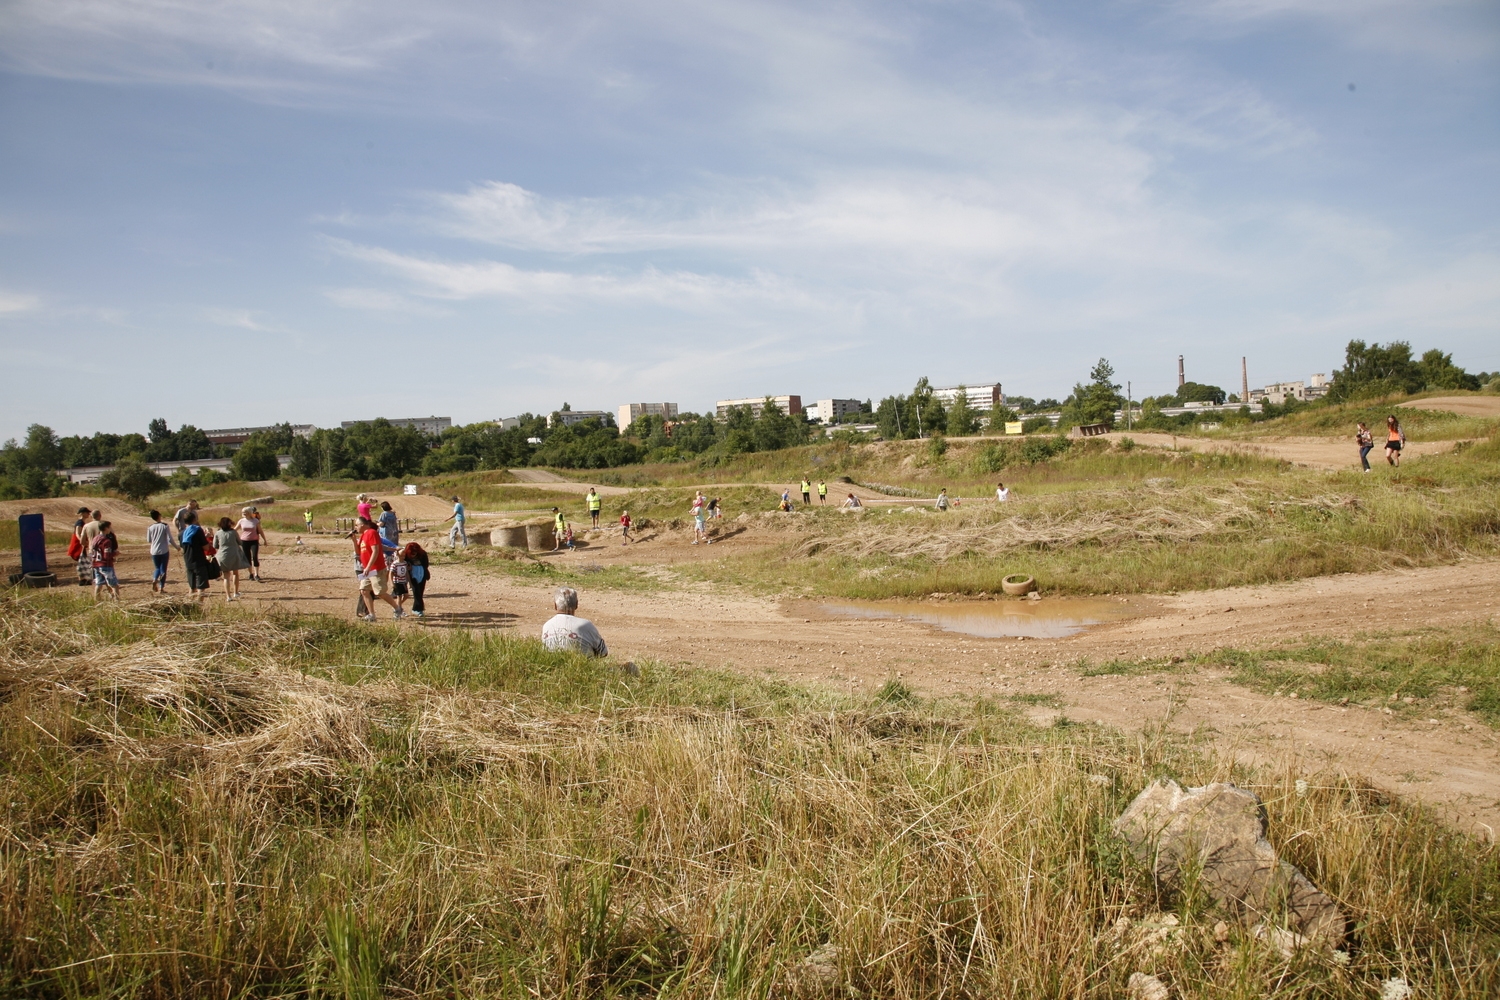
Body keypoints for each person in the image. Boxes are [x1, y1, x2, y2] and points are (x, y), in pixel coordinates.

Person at [357, 516, 405, 620]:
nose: (355, 527)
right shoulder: (362, 536)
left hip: (375, 568)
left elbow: (376, 550)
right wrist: (353, 540)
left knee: (380, 592)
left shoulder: (371, 533)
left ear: (362, 525)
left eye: (357, 525)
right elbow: (358, 551)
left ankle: (398, 609)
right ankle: (371, 615)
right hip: (367, 569)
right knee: (364, 590)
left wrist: (369, 566)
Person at [542, 586, 609, 657]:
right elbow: (603, 653)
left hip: (553, 667)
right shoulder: (586, 625)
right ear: (576, 605)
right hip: (582, 667)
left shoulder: (547, 625)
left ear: (555, 606)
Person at [179, 510, 214, 599]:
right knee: (201, 587)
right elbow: (205, 547)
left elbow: (184, 546)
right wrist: (208, 542)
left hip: (188, 561)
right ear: (194, 519)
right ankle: (199, 606)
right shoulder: (197, 530)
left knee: (192, 587)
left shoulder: (181, 533)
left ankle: (190, 606)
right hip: (199, 561)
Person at [215, 516, 248, 601]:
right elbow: (240, 542)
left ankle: (228, 596)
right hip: (234, 554)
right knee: (235, 573)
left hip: (222, 555)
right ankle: (235, 592)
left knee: (226, 576)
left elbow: (215, 545)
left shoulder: (218, 533)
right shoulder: (233, 532)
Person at [147, 509, 179, 593]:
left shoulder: (150, 527)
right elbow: (170, 539)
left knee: (157, 567)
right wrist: (177, 547)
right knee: (163, 569)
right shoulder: (165, 526)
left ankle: (154, 579)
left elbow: (149, 540)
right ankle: (161, 587)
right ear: (159, 516)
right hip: (164, 550)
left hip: (154, 550)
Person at [90, 520, 121, 601]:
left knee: (99, 584)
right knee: (114, 584)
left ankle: (97, 600)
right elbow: (106, 556)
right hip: (105, 565)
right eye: (109, 527)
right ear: (106, 528)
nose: (110, 529)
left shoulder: (95, 538)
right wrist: (115, 553)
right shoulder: (106, 541)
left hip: (96, 563)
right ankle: (117, 601)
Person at [237, 506, 267, 582]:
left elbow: (260, 531)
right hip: (244, 541)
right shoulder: (241, 521)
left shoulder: (255, 521)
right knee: (247, 558)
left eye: (245, 511)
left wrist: (264, 540)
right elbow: (234, 529)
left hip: (254, 541)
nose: (243, 513)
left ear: (249, 512)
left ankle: (256, 574)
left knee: (255, 557)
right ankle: (251, 574)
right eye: (242, 511)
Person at [403, 542, 430, 617]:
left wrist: (417, 568)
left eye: (414, 553)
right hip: (412, 575)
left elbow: (426, 565)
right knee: (416, 591)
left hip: (422, 574)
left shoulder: (423, 554)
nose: (413, 555)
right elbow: (403, 563)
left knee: (420, 592)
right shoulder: (405, 555)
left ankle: (416, 608)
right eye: (411, 554)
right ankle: (418, 609)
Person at [71, 506, 93, 586]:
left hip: (80, 543)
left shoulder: (81, 522)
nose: (88, 514)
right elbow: (77, 533)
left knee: (83, 561)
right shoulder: (79, 522)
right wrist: (82, 541)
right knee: (81, 560)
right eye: (87, 512)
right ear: (83, 513)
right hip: (78, 544)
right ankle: (82, 580)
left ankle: (84, 579)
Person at [388, 547, 410, 613]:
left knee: (406, 595)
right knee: (399, 596)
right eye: (402, 554)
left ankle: (397, 606)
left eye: (404, 554)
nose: (403, 556)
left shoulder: (405, 563)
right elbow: (390, 573)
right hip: (397, 582)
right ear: (398, 555)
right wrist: (391, 583)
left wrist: (409, 582)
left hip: (403, 581)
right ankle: (399, 610)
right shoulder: (395, 564)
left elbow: (406, 572)